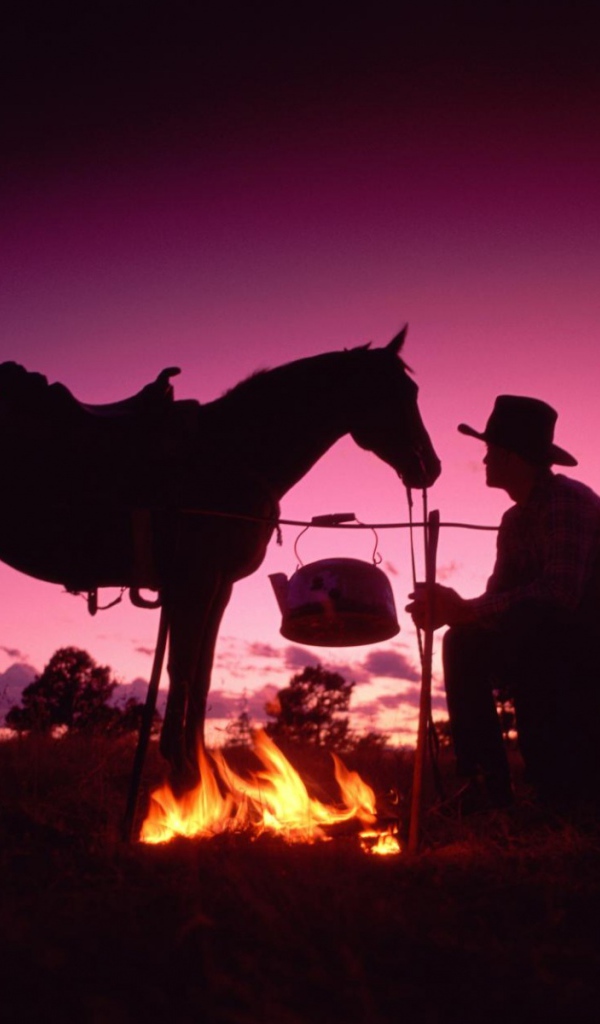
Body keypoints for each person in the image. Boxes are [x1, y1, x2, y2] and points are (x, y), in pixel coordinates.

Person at [407, 395, 600, 815]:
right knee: (463, 642)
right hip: (545, 636)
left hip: (584, 640)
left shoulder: (568, 501)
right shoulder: (513, 521)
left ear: (511, 457)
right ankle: (483, 784)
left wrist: (465, 609)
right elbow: (498, 602)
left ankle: (559, 779)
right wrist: (452, 611)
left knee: (534, 624)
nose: (486, 460)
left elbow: (561, 594)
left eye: (490, 450)